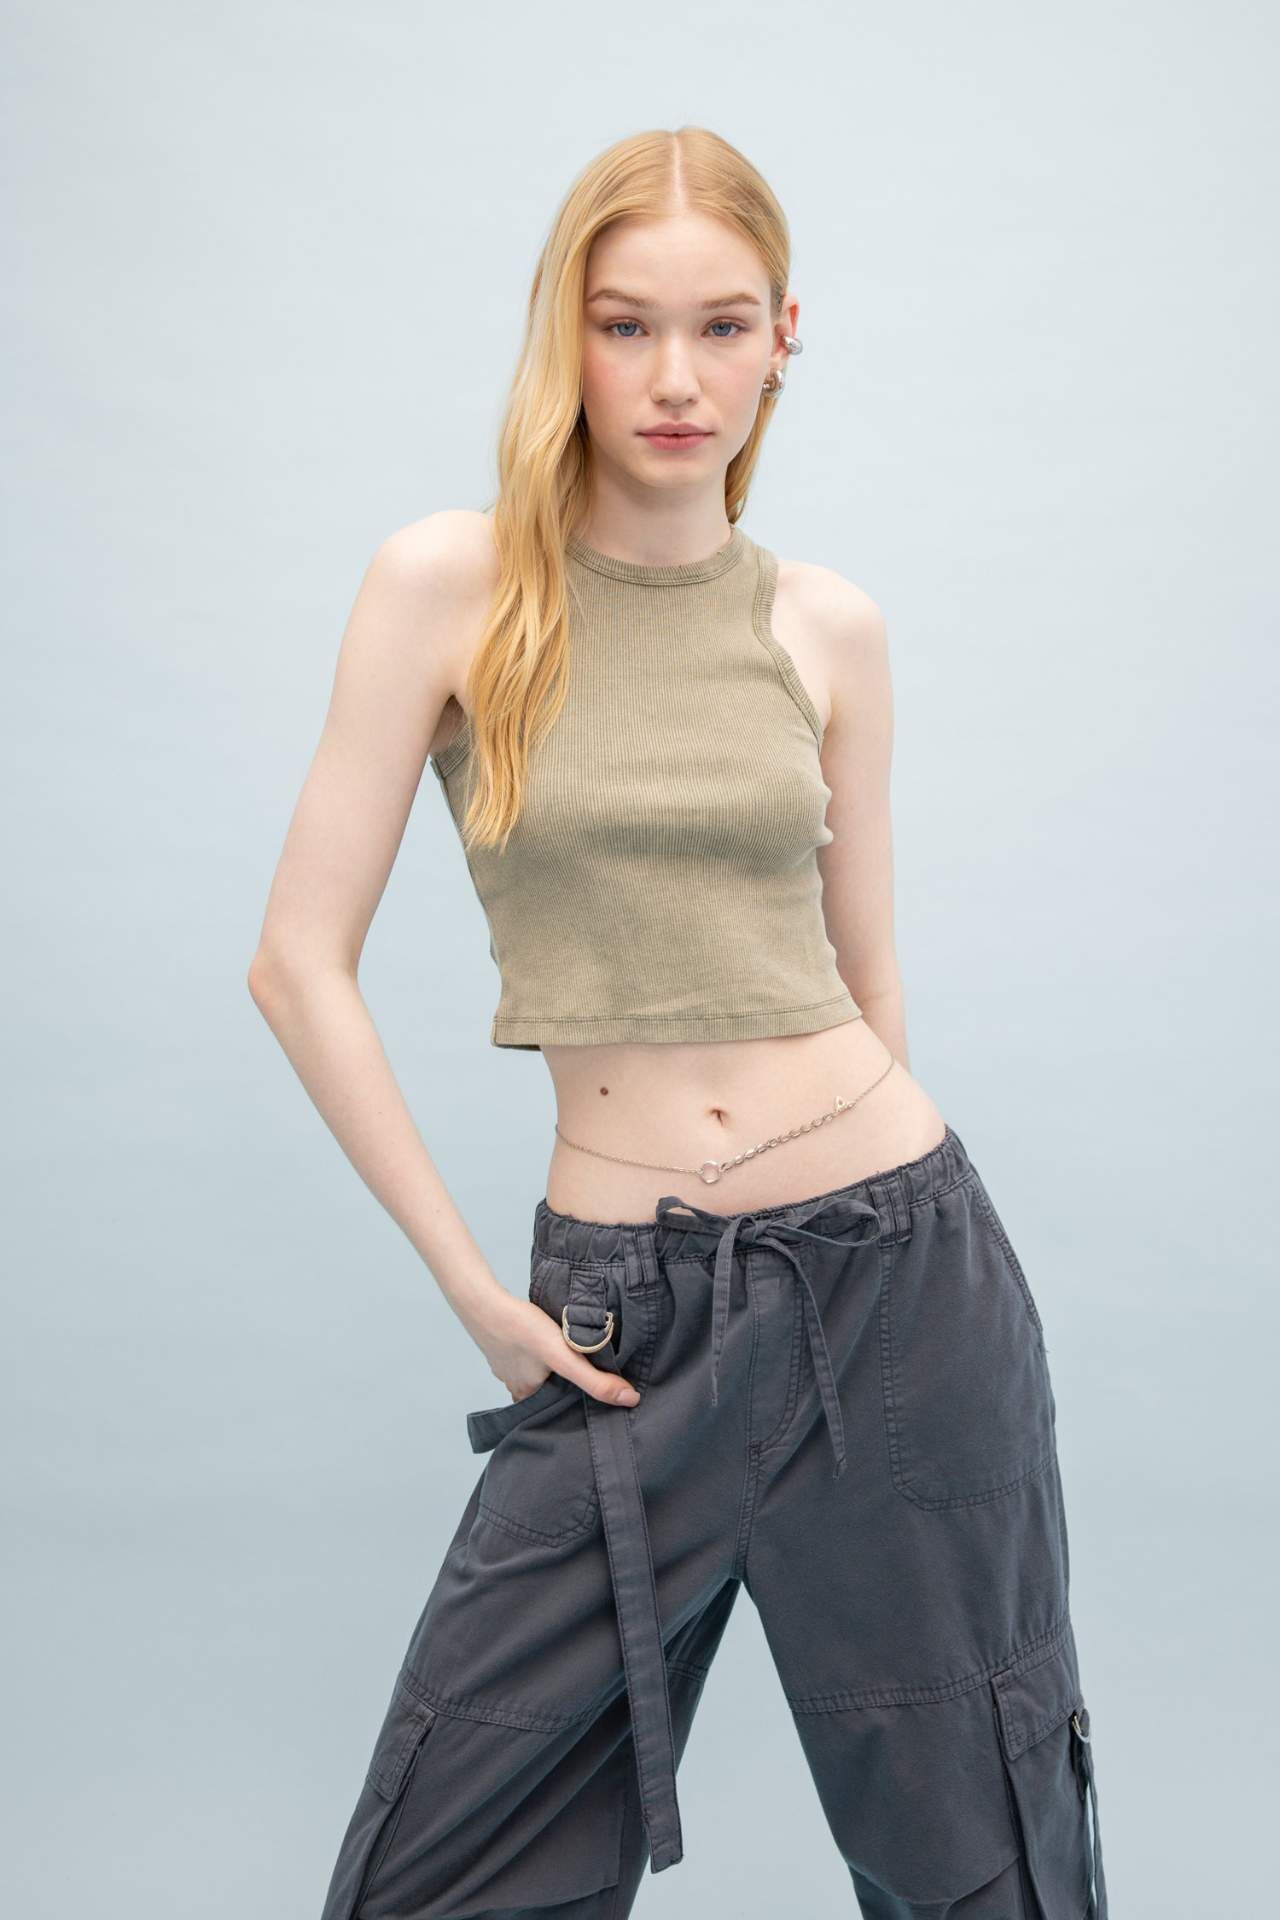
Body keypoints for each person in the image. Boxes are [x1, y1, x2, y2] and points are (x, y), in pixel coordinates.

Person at [249, 126, 1108, 1920]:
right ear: (562, 331)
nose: (674, 379)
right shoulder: (451, 587)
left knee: (982, 1852)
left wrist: (888, 1247)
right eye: (626, 325)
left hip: (895, 1284)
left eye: (721, 327)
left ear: (784, 336)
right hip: (623, 1316)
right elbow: (296, 962)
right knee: (443, 1870)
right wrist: (475, 1291)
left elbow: (872, 985)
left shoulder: (826, 626)